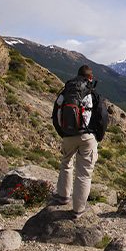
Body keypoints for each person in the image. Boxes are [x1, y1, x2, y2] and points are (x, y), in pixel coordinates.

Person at [52, 65, 108, 218]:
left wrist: (64, 134)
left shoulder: (66, 91)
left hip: (68, 135)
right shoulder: (91, 92)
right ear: (90, 77)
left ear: (77, 75)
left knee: (66, 163)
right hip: (87, 136)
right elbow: (102, 116)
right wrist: (98, 137)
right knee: (84, 174)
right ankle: (78, 209)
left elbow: (56, 115)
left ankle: (63, 196)